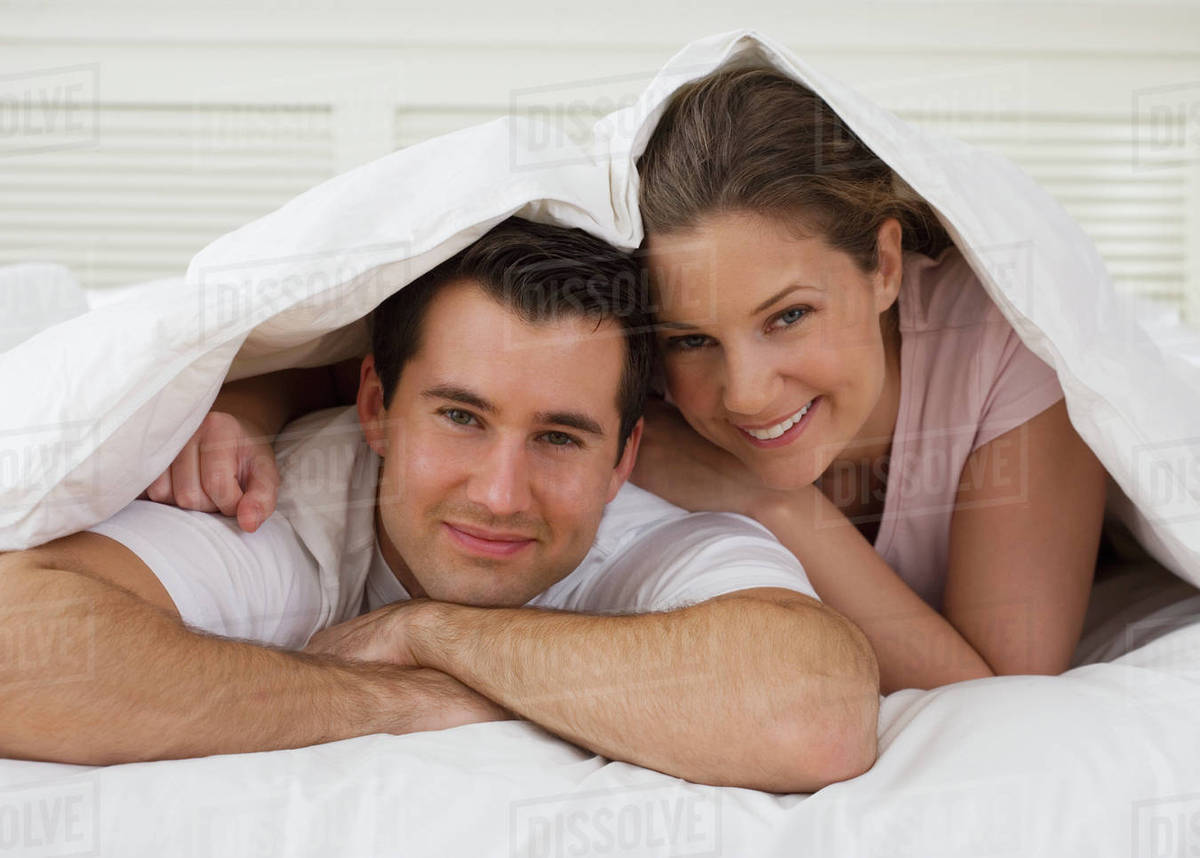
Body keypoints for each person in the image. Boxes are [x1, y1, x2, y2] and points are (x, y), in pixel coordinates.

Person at [166, 68, 1110, 696]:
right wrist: (243, 406)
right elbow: (383, 363)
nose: (746, 394)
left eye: (789, 316)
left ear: (886, 266)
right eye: (693, 339)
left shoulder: (1004, 349)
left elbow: (1000, 700)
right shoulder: (633, 359)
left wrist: (771, 505)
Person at [0, 218, 879, 793]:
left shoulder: (650, 536)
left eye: (560, 438)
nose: (499, 495)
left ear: (623, 461)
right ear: (375, 408)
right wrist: (398, 702)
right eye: (461, 418)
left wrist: (428, 634)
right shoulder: (284, 506)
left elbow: (815, 712)